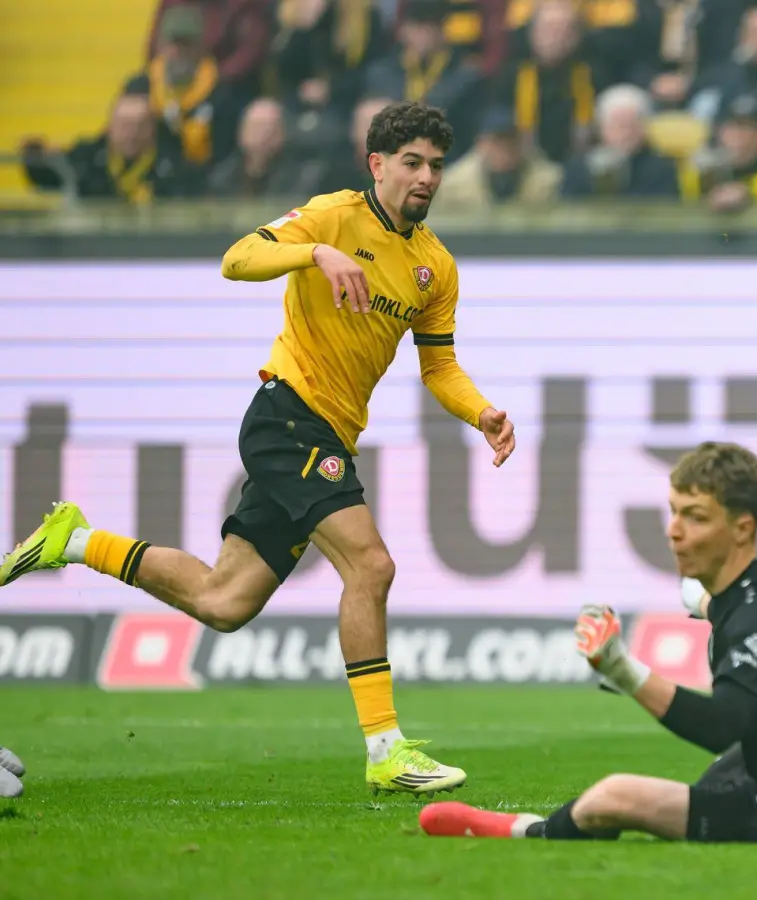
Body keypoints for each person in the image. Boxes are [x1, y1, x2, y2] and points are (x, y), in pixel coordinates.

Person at [0, 101, 515, 797]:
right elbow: (237, 259)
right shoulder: (333, 216)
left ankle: (75, 540)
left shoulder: (436, 266)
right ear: (378, 164)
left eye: (437, 166)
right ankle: (386, 751)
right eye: (412, 163)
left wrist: (481, 412)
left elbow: (439, 367)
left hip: (329, 433)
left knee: (224, 601)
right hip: (289, 418)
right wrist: (315, 252)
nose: (427, 178)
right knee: (371, 565)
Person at [416, 442, 757, 842]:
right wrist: (694, 597)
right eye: (674, 512)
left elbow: (720, 724)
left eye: (696, 517)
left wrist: (619, 667)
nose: (674, 530)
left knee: (614, 796)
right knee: (719, 779)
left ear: (742, 528)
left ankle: (525, 831)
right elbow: (712, 603)